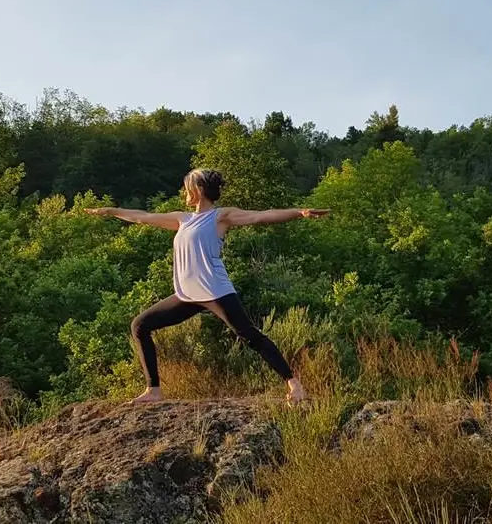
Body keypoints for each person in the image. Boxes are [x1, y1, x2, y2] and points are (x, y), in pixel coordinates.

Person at [84, 168, 329, 405]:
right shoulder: (183, 219)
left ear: (199, 189)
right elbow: (142, 217)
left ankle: (294, 383)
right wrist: (110, 210)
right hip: (187, 295)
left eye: (187, 188)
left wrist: (299, 212)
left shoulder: (220, 216)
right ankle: (153, 390)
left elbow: (261, 216)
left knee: (250, 336)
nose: (184, 193)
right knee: (140, 325)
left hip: (215, 290)